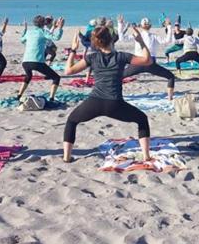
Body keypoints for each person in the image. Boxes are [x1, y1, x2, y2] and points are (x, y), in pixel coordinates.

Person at [62, 25, 153, 163]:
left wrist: (73, 49)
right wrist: (140, 40)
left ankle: (66, 157)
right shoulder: (121, 56)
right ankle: (146, 156)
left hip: (94, 102)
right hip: (115, 104)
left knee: (72, 121)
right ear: (111, 40)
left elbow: (68, 71)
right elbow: (147, 60)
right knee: (142, 119)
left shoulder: (91, 57)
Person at [118, 16, 176, 100]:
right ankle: (170, 98)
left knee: (118, 77)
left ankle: (118, 96)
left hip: (138, 62)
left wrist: (120, 24)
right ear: (150, 26)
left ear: (141, 26)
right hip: (150, 62)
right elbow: (167, 40)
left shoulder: (136, 35)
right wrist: (169, 26)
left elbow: (122, 38)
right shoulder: (154, 36)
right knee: (170, 77)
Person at [17, 15, 65, 101]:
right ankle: (51, 98)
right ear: (43, 24)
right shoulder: (43, 32)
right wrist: (60, 28)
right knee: (56, 78)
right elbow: (57, 38)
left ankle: (19, 95)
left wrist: (25, 30)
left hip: (25, 62)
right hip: (36, 62)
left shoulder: (29, 32)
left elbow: (22, 40)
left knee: (28, 76)